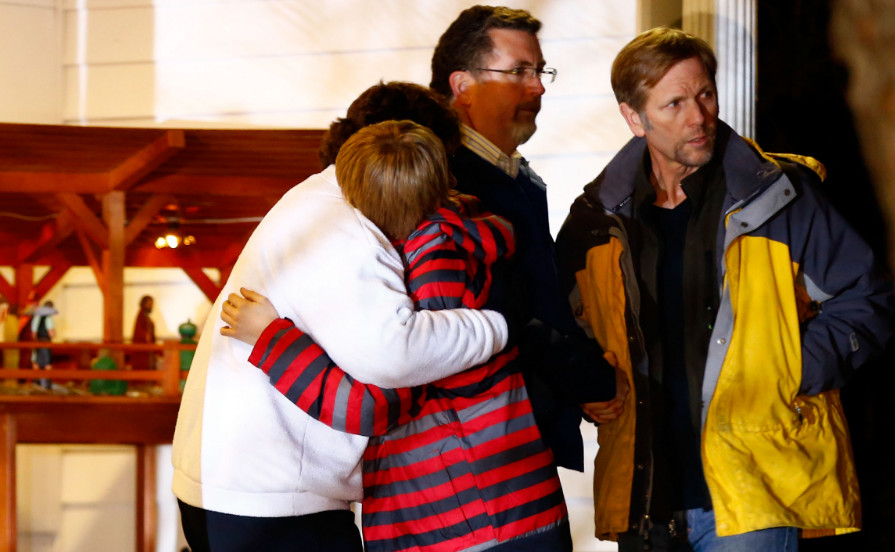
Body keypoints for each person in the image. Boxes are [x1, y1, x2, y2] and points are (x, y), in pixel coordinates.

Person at [555, 27, 895, 552]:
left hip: (756, 493)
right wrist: (591, 384)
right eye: (674, 104)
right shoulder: (594, 219)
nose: (698, 116)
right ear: (634, 117)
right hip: (644, 500)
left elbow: (866, 299)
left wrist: (792, 366)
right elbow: (564, 329)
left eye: (705, 94)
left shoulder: (781, 196)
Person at [171, 82, 511, 552]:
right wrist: (497, 326)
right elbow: (393, 357)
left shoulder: (325, 202)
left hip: (251, 486)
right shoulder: (342, 222)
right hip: (270, 497)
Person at [222, 120, 571, 552]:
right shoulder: (466, 232)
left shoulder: (432, 269)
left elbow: (377, 404)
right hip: (505, 502)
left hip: (464, 518)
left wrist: (271, 341)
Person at [429, 4, 621, 472]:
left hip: (521, 430)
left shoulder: (513, 174)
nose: (537, 87)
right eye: (519, 71)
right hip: (477, 447)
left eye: (539, 71)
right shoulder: (444, 181)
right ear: (463, 86)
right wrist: (588, 379)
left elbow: (540, 295)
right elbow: (500, 312)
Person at [30, 300, 57, 389]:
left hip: (37, 341)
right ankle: (46, 384)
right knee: (47, 363)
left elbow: (33, 333)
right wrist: (54, 333)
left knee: (37, 362)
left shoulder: (36, 317)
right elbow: (51, 333)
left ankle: (36, 383)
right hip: (46, 342)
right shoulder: (48, 319)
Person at [130, 295, 156, 370]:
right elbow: (139, 332)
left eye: (152, 304)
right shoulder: (141, 317)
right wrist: (145, 335)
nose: (151, 306)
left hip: (148, 352)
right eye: (149, 304)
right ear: (144, 304)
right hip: (142, 353)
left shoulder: (146, 317)